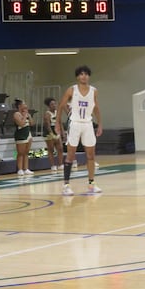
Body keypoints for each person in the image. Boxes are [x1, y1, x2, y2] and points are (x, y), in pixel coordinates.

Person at [55, 65, 103, 196]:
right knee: (70, 155)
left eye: (86, 74)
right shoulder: (72, 90)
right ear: (77, 77)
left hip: (87, 124)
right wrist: (57, 123)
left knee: (91, 155)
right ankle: (66, 185)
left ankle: (91, 183)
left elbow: (96, 108)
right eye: (81, 74)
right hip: (75, 123)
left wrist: (100, 124)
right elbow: (61, 106)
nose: (84, 76)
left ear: (89, 76)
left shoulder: (94, 91)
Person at [13, 99, 34, 177]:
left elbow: (32, 124)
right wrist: (25, 116)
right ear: (19, 106)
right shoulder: (16, 114)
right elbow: (21, 124)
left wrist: (29, 116)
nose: (26, 106)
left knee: (26, 152)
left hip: (28, 134)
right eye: (24, 104)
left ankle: (26, 168)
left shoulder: (27, 114)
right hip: (20, 135)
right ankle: (20, 169)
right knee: (20, 153)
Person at [43, 97, 64, 172]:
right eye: (52, 104)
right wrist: (52, 134)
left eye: (55, 104)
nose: (54, 105)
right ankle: (52, 165)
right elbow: (47, 125)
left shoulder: (57, 112)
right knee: (51, 149)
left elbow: (60, 123)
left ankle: (61, 164)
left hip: (57, 131)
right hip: (49, 132)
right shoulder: (47, 114)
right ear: (49, 106)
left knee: (60, 148)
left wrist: (63, 133)